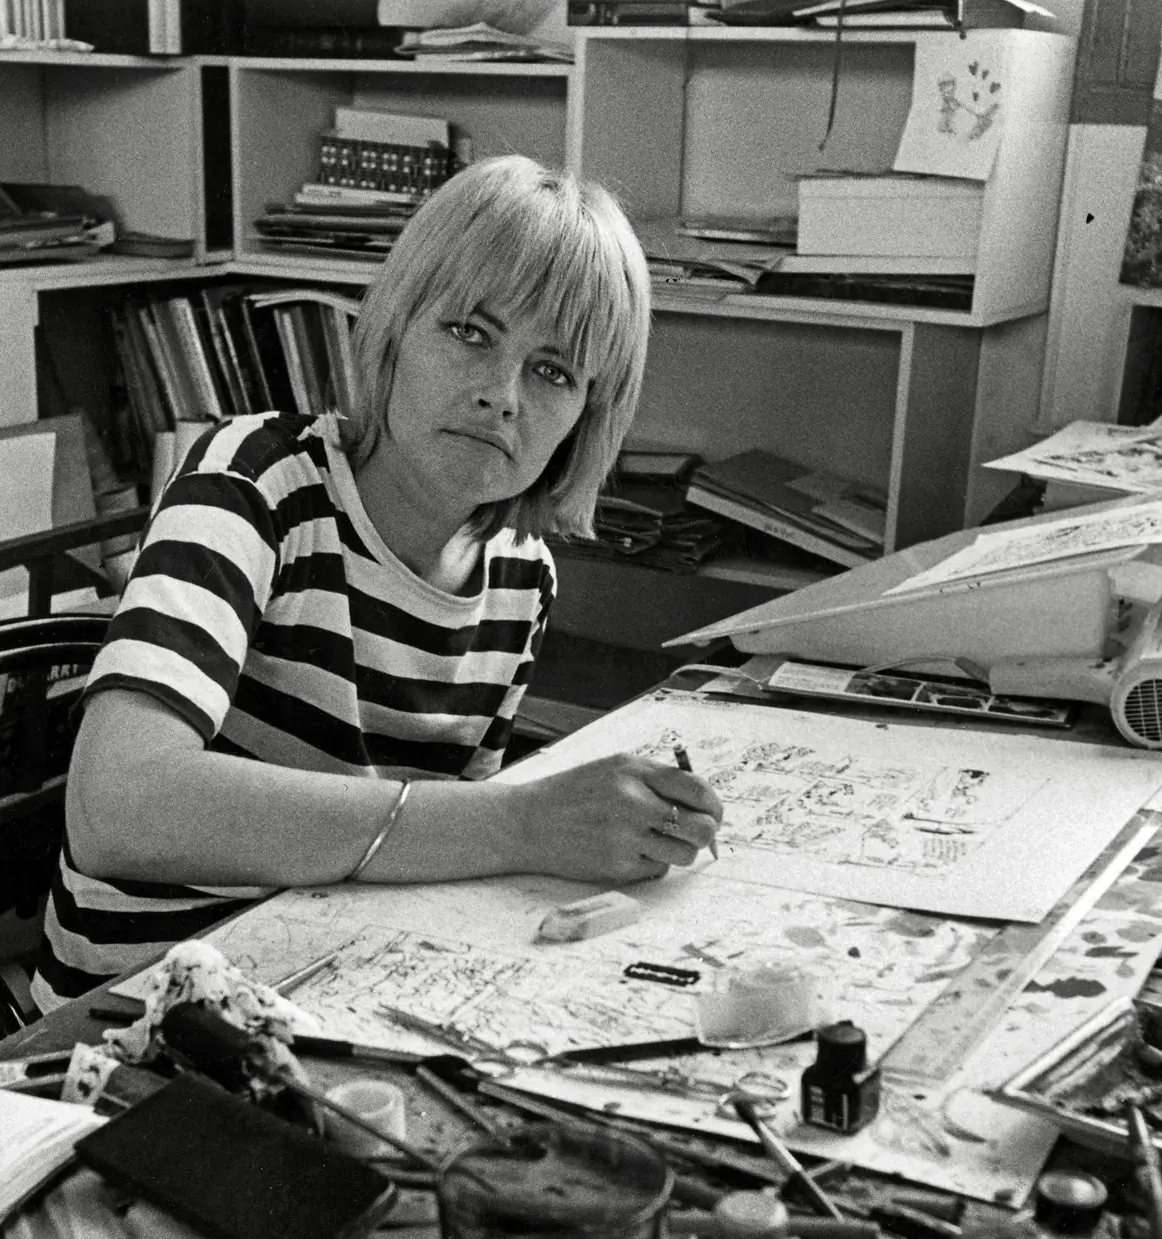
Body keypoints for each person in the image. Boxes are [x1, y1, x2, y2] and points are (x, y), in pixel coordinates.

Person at [35, 155, 720, 1010]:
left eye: (553, 371)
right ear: (393, 327)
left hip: (333, 981)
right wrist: (521, 820)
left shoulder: (523, 576)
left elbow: (439, 847)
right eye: (469, 332)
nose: (501, 396)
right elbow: (114, 808)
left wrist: (558, 832)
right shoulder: (252, 484)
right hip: (135, 1011)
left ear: (588, 415)